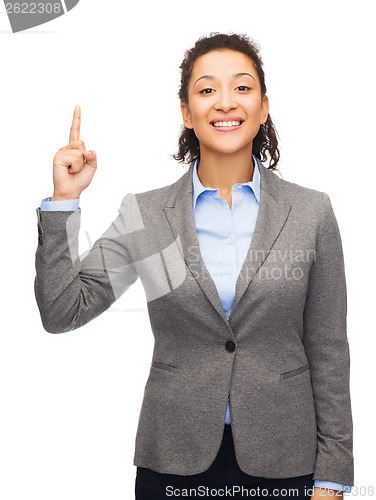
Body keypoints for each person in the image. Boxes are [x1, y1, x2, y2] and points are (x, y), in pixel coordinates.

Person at [34, 32, 354, 499]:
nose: (225, 102)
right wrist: (65, 202)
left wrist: (333, 475)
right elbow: (62, 311)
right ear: (186, 112)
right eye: (207, 90)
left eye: (242, 88)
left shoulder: (311, 212)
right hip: (173, 460)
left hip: (285, 458)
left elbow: (328, 350)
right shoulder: (149, 216)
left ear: (264, 107)